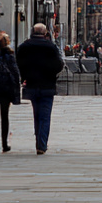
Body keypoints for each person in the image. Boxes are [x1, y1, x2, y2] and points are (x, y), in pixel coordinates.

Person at [17, 23, 64, 154]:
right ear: (45, 33)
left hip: (31, 85)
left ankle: (38, 138)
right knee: (45, 116)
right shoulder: (51, 47)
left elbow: (19, 64)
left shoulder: (24, 47)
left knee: (36, 114)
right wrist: (52, 74)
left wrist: (25, 76)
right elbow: (59, 65)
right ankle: (41, 144)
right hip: (47, 86)